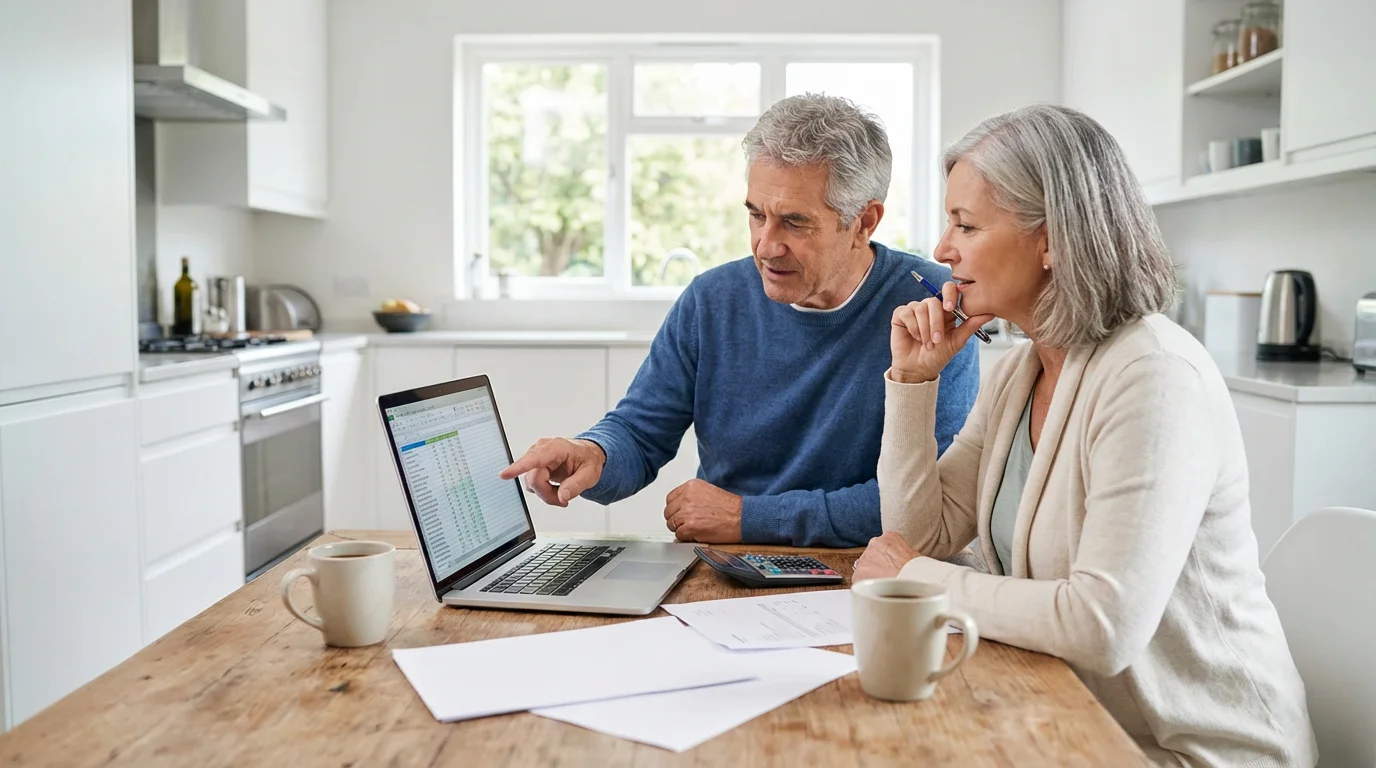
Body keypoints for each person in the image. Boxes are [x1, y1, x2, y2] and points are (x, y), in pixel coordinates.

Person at [852, 104, 1316, 766]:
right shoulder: (1023, 369)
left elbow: (1102, 627)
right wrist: (912, 382)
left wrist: (920, 578)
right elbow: (917, 535)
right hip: (1071, 717)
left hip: (1189, 749)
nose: (942, 249)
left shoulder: (1154, 375)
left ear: (1052, 238)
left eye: (967, 224)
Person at [500, 94, 980, 547]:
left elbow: (926, 501)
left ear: (863, 222)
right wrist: (594, 454)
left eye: (794, 222)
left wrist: (747, 517)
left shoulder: (934, 303)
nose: (766, 246)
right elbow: (640, 434)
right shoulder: (711, 300)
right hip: (724, 568)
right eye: (756, 216)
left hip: (867, 569)